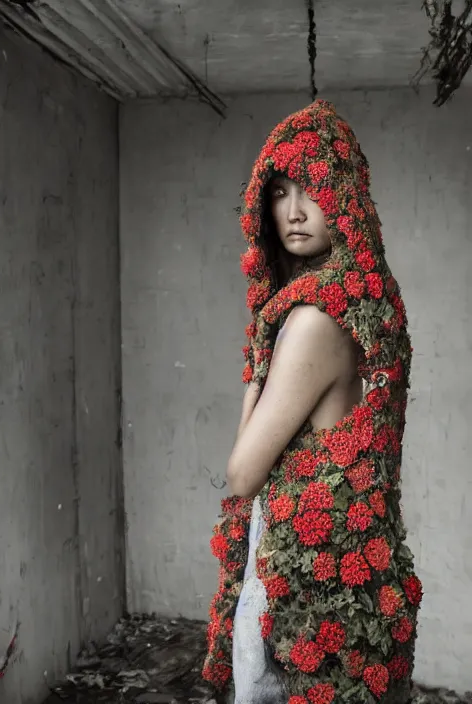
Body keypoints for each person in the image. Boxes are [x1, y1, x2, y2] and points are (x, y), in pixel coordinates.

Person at [202, 100, 423, 704]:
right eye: (279, 191)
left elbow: (243, 474)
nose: (294, 212)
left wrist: (257, 370)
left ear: (344, 195)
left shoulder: (310, 321)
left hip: (305, 595)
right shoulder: (370, 300)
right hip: (359, 585)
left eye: (314, 188)